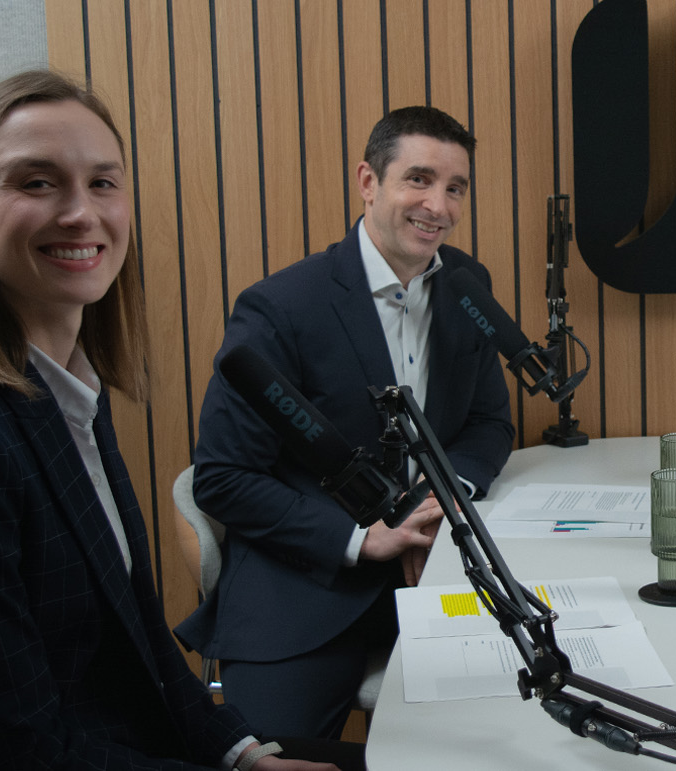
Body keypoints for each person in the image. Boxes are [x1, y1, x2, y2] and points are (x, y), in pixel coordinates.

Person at [0, 70, 348, 770]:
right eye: (36, 182)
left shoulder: (70, 389)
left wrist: (241, 754)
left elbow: (141, 639)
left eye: (103, 182)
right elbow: (14, 749)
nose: (81, 212)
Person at [176, 106, 515, 739]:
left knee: (516, 733)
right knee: (278, 757)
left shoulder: (467, 285)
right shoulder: (279, 307)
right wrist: (364, 538)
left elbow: (488, 424)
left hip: (436, 566)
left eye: (455, 188)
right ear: (368, 181)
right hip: (304, 586)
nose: (437, 206)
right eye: (418, 179)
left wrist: (442, 499)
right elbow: (221, 478)